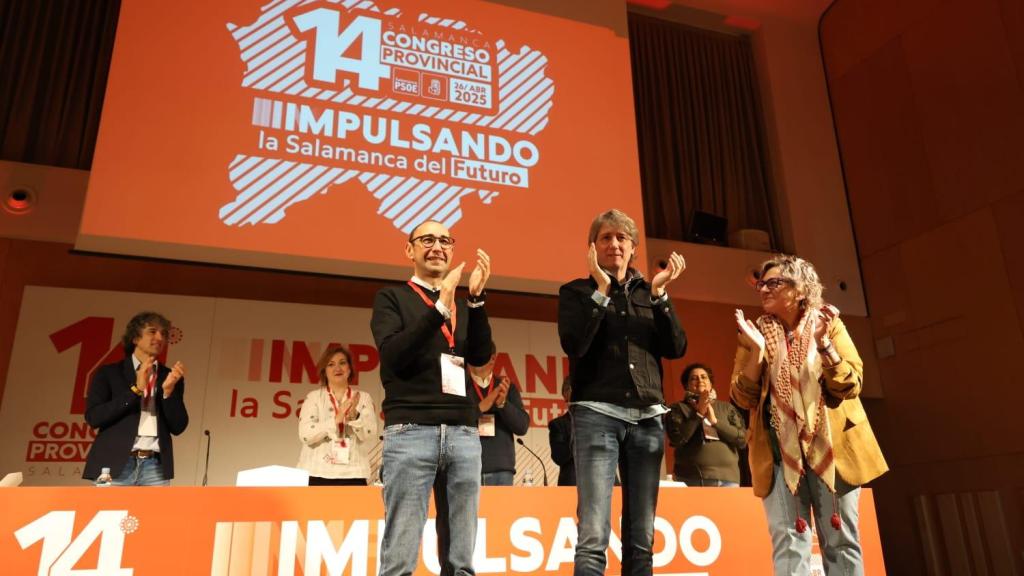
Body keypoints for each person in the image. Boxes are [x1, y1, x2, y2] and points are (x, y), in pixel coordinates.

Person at [731, 255, 888, 575]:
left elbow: (850, 384)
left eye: (773, 283)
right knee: (789, 544)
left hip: (834, 451)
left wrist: (824, 344)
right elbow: (741, 397)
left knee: (841, 543)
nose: (763, 289)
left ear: (801, 289)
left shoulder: (828, 324)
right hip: (778, 456)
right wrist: (757, 354)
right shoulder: (754, 333)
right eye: (761, 283)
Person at [558, 209, 687, 576]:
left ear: (633, 248)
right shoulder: (576, 292)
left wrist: (661, 295)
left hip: (648, 419)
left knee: (641, 536)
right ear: (592, 248)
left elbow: (676, 347)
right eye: (606, 238)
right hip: (596, 414)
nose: (614, 244)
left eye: (622, 238)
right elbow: (574, 343)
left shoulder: (651, 293)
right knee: (593, 534)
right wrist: (601, 291)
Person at [371, 219, 493, 576]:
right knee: (400, 559)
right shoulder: (391, 298)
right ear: (410, 250)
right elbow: (394, 355)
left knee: (461, 561)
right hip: (410, 432)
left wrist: (477, 301)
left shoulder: (461, 303)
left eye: (445, 240)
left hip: (463, 434)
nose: (437, 246)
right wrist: (440, 306)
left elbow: (480, 356)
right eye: (427, 239)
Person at [83, 311, 188, 486]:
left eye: (164, 333)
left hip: (155, 467)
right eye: (152, 331)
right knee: (111, 514)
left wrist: (168, 393)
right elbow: (94, 417)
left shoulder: (170, 376)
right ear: (135, 338)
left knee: (156, 514)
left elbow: (178, 427)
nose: (160, 337)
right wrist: (135, 390)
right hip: (114, 465)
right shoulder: (109, 373)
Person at [297, 345, 378, 485]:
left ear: (350, 368)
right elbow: (305, 434)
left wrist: (354, 417)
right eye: (331, 364)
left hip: (354, 474)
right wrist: (336, 420)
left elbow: (370, 434)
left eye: (342, 363)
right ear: (325, 371)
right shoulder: (314, 397)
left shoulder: (363, 397)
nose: (337, 368)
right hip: (317, 473)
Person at [665, 363, 747, 487]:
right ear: (686, 385)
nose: (699, 380)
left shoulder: (726, 408)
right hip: (691, 479)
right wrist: (699, 414)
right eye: (693, 378)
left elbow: (742, 440)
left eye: (704, 377)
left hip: (728, 480)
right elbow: (677, 438)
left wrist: (715, 422)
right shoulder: (677, 408)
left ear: (711, 383)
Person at [472, 344, 529, 486]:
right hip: (467, 466)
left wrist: (503, 404)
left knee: (502, 509)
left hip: (501, 469)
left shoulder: (506, 387)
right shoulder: (462, 385)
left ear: (492, 359)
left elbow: (522, 427)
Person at [547, 377, 576, 486]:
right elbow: (558, 457)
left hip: (606, 483)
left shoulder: (599, 423)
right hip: (573, 484)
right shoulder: (558, 425)